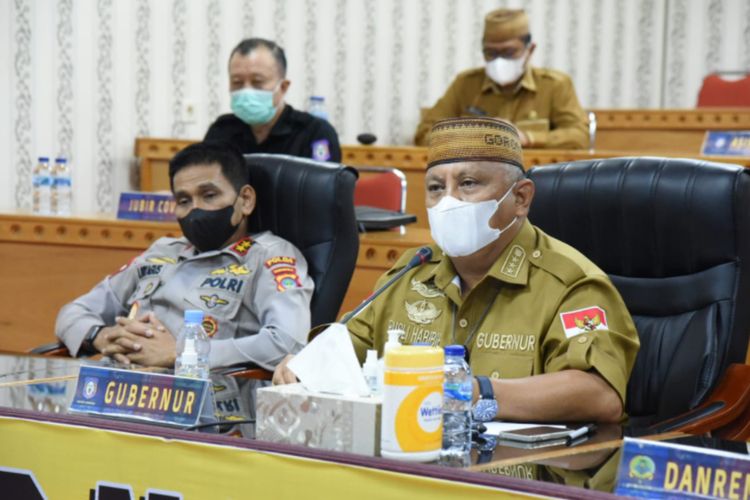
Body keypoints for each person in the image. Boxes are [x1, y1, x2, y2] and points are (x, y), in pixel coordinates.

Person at [275, 117, 639, 424]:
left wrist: (474, 392)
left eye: (468, 184)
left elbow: (599, 394)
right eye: (436, 188)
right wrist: (305, 366)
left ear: (521, 198)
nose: (447, 201)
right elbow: (345, 348)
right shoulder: (411, 272)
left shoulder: (570, 282)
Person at [56, 142, 313, 371]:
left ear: (245, 200)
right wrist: (100, 336)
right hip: (117, 395)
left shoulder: (270, 257)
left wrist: (182, 353)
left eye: (209, 196)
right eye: (183, 200)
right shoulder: (161, 252)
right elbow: (74, 312)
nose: (195, 210)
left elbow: (287, 343)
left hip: (205, 407)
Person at [414, 9, 588, 150]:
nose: (499, 60)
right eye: (491, 53)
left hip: (533, 178)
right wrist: (476, 137)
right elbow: (425, 134)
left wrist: (527, 138)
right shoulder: (466, 83)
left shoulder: (555, 85)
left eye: (509, 52)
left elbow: (579, 137)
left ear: (530, 49)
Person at [205, 38, 342, 163]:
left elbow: (326, 188)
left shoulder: (315, 133)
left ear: (283, 87)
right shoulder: (220, 131)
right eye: (237, 82)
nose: (246, 90)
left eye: (257, 82)